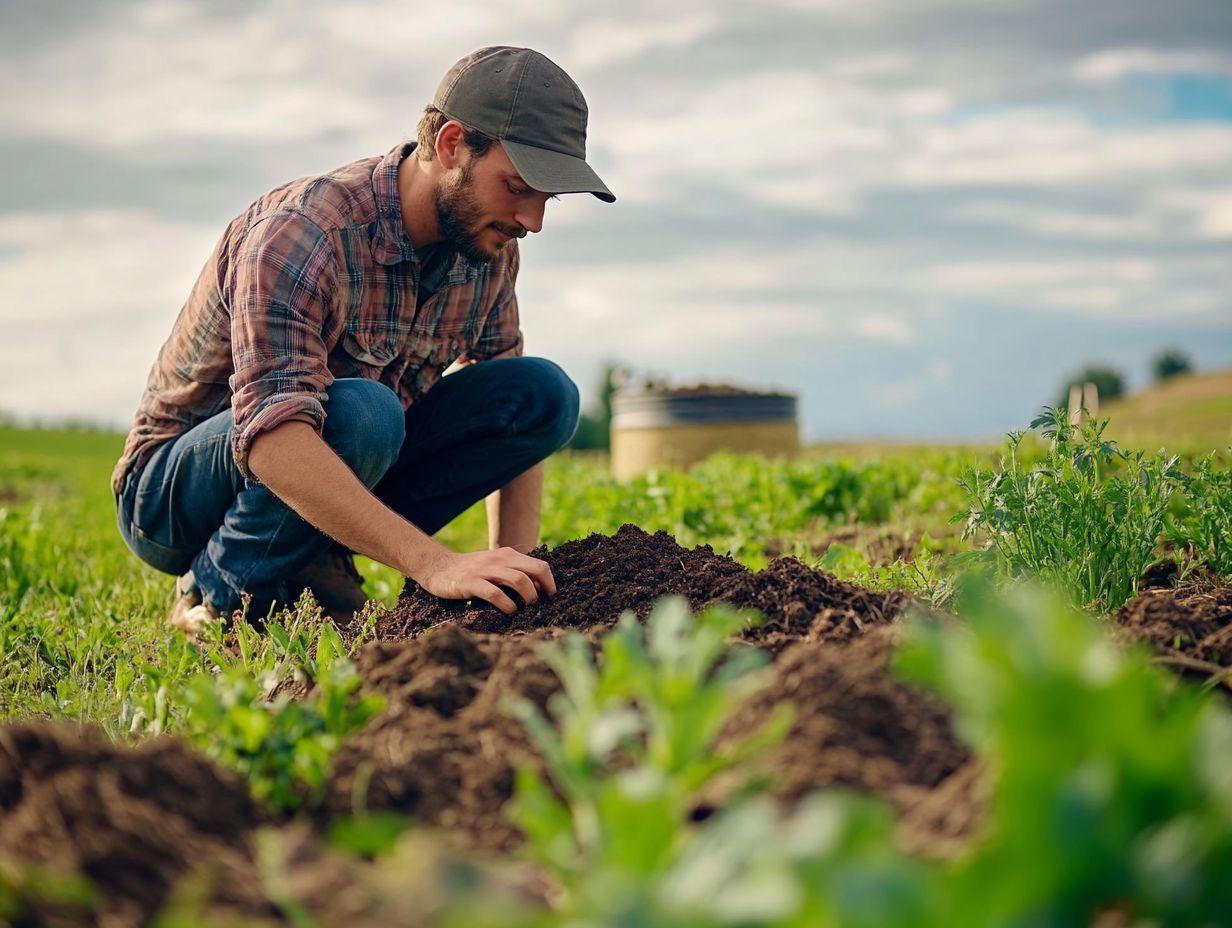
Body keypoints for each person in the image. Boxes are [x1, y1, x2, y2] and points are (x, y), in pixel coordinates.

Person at [110, 46, 614, 636]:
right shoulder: (303, 233)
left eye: (546, 200)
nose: (533, 221)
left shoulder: (488, 250)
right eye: (517, 186)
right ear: (451, 145)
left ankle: (314, 557)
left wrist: (517, 577)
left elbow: (509, 409)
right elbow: (271, 440)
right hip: (174, 497)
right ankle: (218, 593)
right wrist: (434, 563)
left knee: (541, 394)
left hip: (343, 456)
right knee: (364, 412)